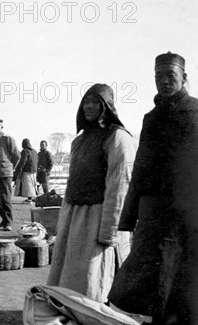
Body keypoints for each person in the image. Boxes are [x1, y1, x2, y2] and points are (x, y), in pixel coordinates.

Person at [105, 53, 198, 325]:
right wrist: (129, 217)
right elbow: (141, 166)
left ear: (185, 76)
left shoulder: (195, 113)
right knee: (156, 292)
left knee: (182, 297)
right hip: (156, 216)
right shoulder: (150, 118)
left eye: (170, 75)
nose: (163, 81)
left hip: (189, 216)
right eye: (158, 75)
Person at [46, 84, 135, 303]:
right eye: (86, 101)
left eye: (96, 102)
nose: (89, 106)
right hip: (75, 215)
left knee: (92, 274)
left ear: (107, 107)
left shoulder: (118, 138)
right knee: (71, 271)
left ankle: (92, 313)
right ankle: (70, 307)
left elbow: (120, 185)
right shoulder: (81, 139)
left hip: (98, 217)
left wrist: (110, 230)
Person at [0, 118, 20, 231]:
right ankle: (3, 220)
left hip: (5, 173)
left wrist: (11, 167)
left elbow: (17, 155)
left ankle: (8, 222)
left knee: (5, 198)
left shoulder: (8, 139)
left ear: (1, 127)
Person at [14, 138, 38, 202]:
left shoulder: (25, 151)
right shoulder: (34, 151)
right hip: (34, 171)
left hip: (27, 170)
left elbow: (23, 162)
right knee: (33, 184)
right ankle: (32, 197)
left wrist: (18, 172)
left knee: (28, 185)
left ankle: (29, 199)